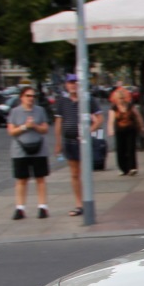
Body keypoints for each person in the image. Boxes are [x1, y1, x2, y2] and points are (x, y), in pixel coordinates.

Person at [53, 75, 103, 217]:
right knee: (74, 174)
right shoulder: (62, 101)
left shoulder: (87, 99)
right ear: (66, 85)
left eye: (75, 82)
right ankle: (79, 204)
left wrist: (89, 131)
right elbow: (58, 123)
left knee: (85, 173)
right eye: (70, 83)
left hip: (83, 142)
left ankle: (88, 202)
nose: (73, 85)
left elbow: (99, 119)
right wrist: (57, 143)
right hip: (69, 142)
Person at [7, 87, 51, 220]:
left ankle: (42, 207)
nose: (31, 98)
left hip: (39, 149)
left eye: (33, 96)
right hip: (20, 150)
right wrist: (25, 127)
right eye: (28, 96)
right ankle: (20, 208)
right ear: (22, 97)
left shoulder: (40, 110)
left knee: (40, 178)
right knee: (21, 179)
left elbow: (45, 129)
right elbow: (11, 131)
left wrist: (35, 126)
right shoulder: (15, 112)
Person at [109, 87, 142, 176]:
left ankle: (132, 167)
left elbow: (138, 116)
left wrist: (141, 126)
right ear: (116, 99)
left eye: (123, 98)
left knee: (131, 148)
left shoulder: (130, 106)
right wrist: (111, 129)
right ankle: (123, 168)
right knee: (120, 149)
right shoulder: (114, 108)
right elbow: (111, 120)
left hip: (131, 129)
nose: (121, 100)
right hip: (119, 131)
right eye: (119, 98)